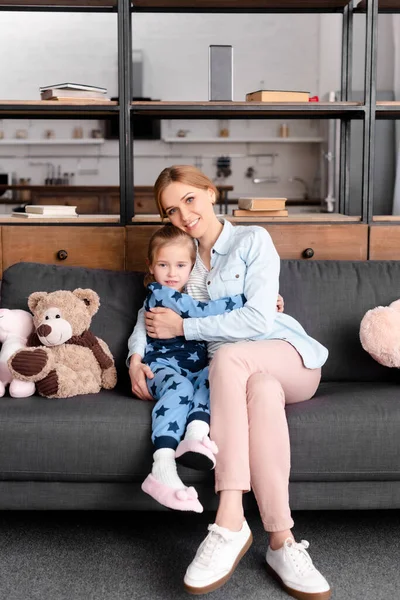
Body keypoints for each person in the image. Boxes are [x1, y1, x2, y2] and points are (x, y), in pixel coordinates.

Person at [128, 165, 331, 600]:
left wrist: (184, 329)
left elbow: (258, 317)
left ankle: (229, 522)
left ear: (209, 192)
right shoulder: (180, 262)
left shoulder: (250, 240)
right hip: (244, 376)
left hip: (287, 354)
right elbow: (152, 315)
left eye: (189, 199)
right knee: (255, 388)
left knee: (231, 357)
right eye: (171, 210)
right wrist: (133, 356)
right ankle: (282, 540)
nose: (183, 214)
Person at [128, 224, 246, 513]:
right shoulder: (159, 293)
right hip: (161, 367)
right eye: (163, 265)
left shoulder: (191, 294)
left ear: (192, 266)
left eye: (180, 265)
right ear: (151, 267)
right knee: (180, 387)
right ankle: (163, 463)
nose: (171, 273)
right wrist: (247, 301)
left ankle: (195, 435)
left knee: (215, 374)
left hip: (195, 368)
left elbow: (201, 310)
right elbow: (200, 313)